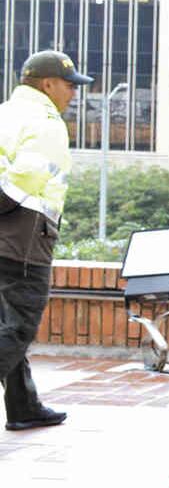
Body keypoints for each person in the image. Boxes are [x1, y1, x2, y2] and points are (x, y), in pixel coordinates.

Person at [1, 50, 92, 431]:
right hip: (24, 236)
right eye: (69, 85)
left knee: (4, 322)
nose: (73, 93)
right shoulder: (47, 121)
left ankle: (24, 405)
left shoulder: (7, 111)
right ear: (47, 83)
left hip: (9, 234)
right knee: (18, 325)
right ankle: (24, 405)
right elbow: (25, 181)